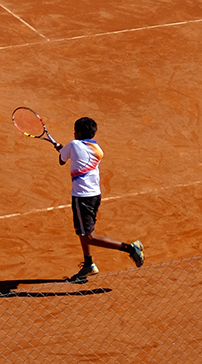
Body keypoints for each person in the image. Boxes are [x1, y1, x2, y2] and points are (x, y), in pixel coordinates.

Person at [51, 116, 144, 283]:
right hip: (95, 195)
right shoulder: (97, 148)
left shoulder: (72, 145)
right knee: (82, 231)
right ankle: (88, 264)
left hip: (82, 197)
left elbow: (61, 160)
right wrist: (64, 149)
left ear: (78, 132)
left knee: (89, 236)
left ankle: (130, 248)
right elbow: (76, 155)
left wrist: (61, 149)